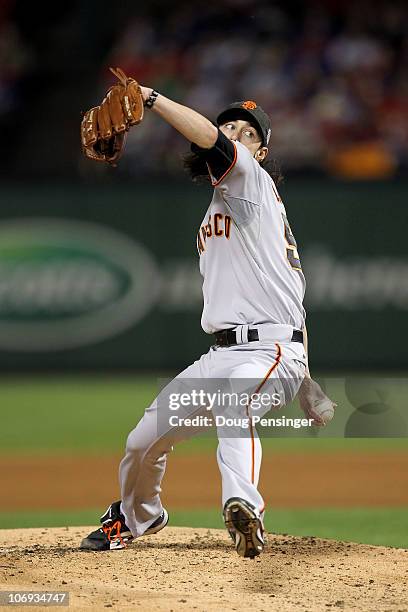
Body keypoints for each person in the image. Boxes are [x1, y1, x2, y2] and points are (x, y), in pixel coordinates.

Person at [80, 87, 334, 559]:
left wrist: (151, 98)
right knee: (143, 440)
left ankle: (244, 507)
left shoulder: (248, 178)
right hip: (226, 354)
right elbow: (290, 294)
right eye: (231, 126)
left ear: (260, 151)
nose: (236, 134)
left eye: (248, 132)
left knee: (235, 405)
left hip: (268, 353)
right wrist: (308, 384)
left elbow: (210, 142)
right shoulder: (233, 205)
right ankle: (139, 514)